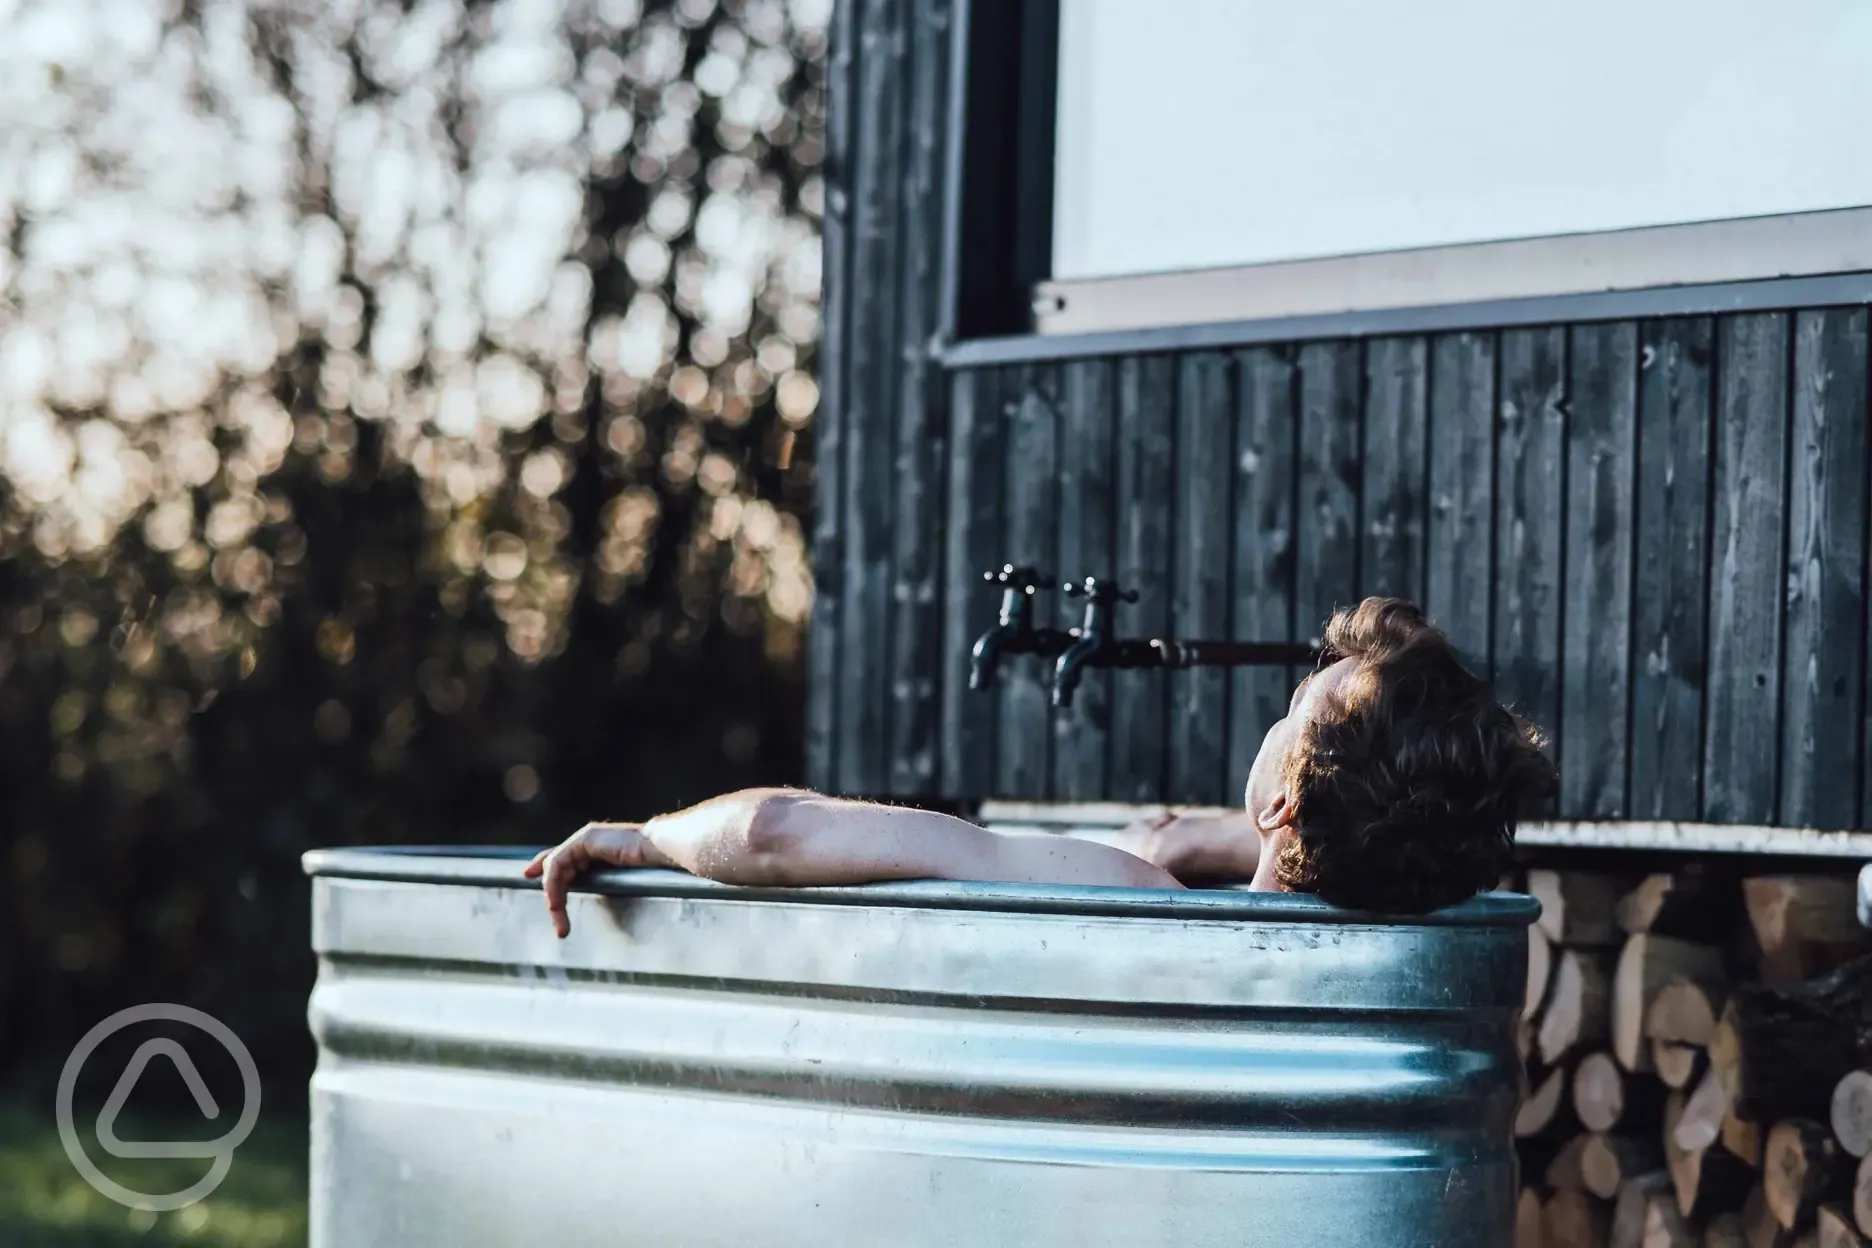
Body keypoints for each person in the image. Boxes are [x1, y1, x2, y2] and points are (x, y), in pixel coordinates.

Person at [525, 597, 1557, 936]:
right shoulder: (1425, 925)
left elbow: (772, 835)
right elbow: (1356, 839)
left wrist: (643, 837)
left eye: (1295, 712)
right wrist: (1225, 835)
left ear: (1285, 800)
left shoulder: (1142, 903)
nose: (1280, 712)